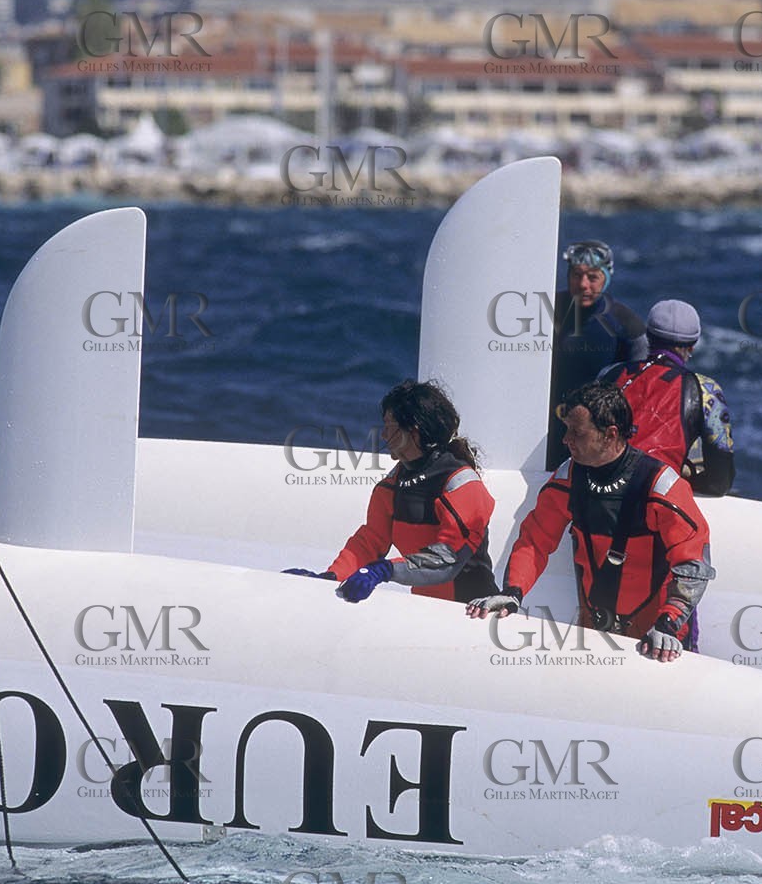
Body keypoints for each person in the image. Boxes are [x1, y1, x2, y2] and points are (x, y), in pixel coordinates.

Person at [467, 382, 713, 662]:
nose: (565, 440)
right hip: (596, 630)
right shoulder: (568, 477)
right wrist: (512, 592)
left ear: (610, 435)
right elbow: (536, 541)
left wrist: (668, 623)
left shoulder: (661, 486)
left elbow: (693, 564)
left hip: (660, 638)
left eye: (577, 432)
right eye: (567, 430)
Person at [286, 380, 499, 605]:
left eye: (390, 427)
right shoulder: (393, 484)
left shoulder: (462, 484)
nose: (384, 436)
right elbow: (370, 542)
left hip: (474, 614)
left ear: (414, 432)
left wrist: (387, 570)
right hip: (428, 611)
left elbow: (448, 559)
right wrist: (331, 578)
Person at [604, 299, 735, 497]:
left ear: (648, 337)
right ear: (692, 346)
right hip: (653, 502)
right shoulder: (706, 390)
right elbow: (720, 482)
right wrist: (686, 475)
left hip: (599, 491)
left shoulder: (611, 375)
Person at [546, 240, 647, 470]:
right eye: (576, 275)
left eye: (593, 277)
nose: (583, 284)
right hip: (545, 429)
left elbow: (640, 390)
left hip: (592, 436)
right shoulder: (547, 309)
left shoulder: (625, 324)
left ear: (606, 278)